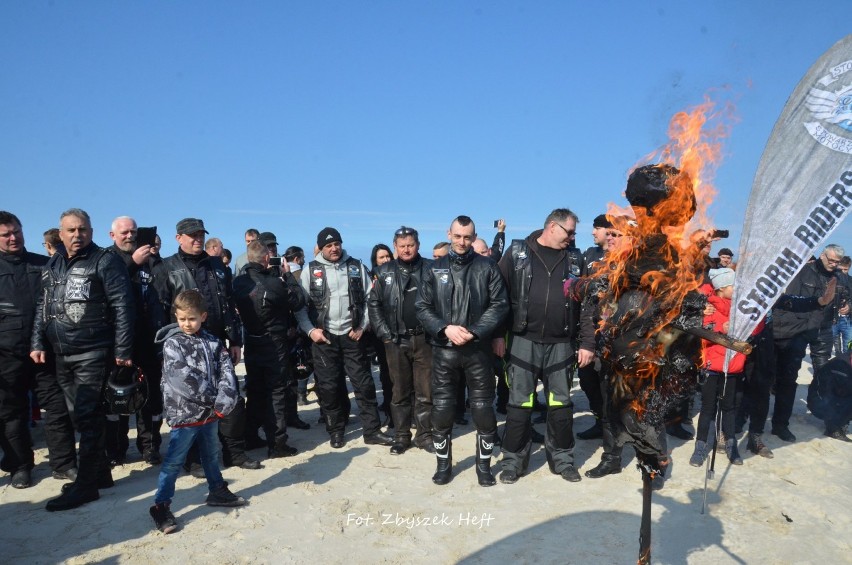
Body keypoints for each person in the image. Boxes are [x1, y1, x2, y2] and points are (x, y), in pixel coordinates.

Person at [31, 208, 135, 511]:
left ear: (91, 231)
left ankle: (86, 485)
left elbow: (123, 305)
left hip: (93, 351)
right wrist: (38, 341)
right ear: (60, 234)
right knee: (80, 417)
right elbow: (43, 306)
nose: (78, 235)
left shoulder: (105, 260)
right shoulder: (52, 266)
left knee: (89, 417)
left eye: (83, 229)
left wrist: (123, 351)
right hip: (62, 355)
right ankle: (99, 474)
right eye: (72, 230)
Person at [151, 217, 258, 471]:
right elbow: (158, 310)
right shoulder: (166, 268)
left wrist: (235, 340)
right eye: (192, 235)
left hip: (217, 342)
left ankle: (235, 453)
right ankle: (195, 459)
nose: (197, 239)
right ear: (179, 238)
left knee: (230, 395)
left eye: (200, 234)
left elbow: (228, 304)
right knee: (193, 401)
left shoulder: (217, 266)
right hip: (184, 346)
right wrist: (165, 345)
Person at [494, 209, 588, 484]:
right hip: (523, 340)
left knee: (561, 405)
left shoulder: (574, 259)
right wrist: (498, 335)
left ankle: (562, 460)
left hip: (561, 344)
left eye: (574, 233)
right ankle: (513, 461)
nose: (572, 238)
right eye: (568, 232)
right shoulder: (517, 253)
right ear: (551, 226)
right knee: (519, 404)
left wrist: (587, 343)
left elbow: (585, 306)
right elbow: (498, 297)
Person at [417, 215, 509, 486]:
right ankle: (444, 465)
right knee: (443, 409)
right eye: (457, 236)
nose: (462, 241)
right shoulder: (434, 269)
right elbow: (422, 306)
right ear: (449, 234)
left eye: (467, 237)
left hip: (477, 349)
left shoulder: (487, 267)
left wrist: (476, 330)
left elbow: (500, 304)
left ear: (474, 236)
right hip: (444, 349)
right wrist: (445, 328)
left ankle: (483, 467)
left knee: (483, 409)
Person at [149, 290, 247, 534]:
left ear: (203, 316)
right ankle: (161, 505)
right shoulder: (173, 345)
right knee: (174, 461)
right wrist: (213, 400)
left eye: (191, 319)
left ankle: (217, 490)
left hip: (211, 415)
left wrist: (224, 401)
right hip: (185, 414)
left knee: (211, 453)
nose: (186, 324)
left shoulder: (214, 342)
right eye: (182, 319)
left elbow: (226, 371)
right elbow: (182, 378)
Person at [294, 227, 393, 449]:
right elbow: (300, 307)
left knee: (364, 384)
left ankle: (372, 430)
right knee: (329, 388)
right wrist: (311, 331)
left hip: (352, 335)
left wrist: (363, 326)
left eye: (336, 243)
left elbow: (371, 300)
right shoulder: (310, 270)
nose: (334, 248)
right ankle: (336, 430)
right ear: (321, 248)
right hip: (324, 337)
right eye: (328, 245)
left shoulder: (356, 266)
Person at [104, 216, 166, 466]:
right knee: (117, 398)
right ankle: (116, 449)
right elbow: (106, 291)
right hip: (117, 340)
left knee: (151, 398)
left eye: (133, 231)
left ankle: (150, 446)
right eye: (124, 232)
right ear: (112, 236)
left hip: (148, 339)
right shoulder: (106, 259)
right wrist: (132, 263)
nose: (130, 236)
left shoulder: (152, 262)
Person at [233, 240, 303, 457]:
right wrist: (288, 275)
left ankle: (250, 436)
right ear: (266, 259)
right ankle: (277, 443)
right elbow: (298, 300)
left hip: (252, 340)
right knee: (276, 391)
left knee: (255, 389)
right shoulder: (273, 283)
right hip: (274, 343)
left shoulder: (238, 283)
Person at [368, 226, 434, 455]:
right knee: (400, 392)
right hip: (396, 340)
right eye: (402, 246)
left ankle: (424, 436)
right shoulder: (383, 271)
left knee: (426, 391)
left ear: (418, 245)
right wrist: (384, 333)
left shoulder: (432, 268)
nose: (407, 249)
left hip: (425, 340)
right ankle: (401, 435)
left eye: (411, 245)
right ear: (395, 247)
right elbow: (373, 304)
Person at [771, 243, 847, 442]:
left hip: (824, 330)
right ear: (822, 255)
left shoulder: (841, 277)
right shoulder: (803, 272)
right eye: (830, 260)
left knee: (827, 378)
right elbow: (788, 301)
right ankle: (780, 424)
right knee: (788, 379)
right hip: (800, 329)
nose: (833, 264)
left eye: (836, 262)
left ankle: (832, 425)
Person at [689, 268, 754, 467]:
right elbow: (701, 328)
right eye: (734, 286)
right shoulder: (708, 306)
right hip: (713, 366)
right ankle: (700, 446)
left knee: (729, 408)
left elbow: (756, 327)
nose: (737, 289)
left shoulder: (742, 308)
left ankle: (731, 445)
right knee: (708, 408)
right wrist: (719, 329)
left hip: (733, 367)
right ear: (722, 288)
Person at [576, 213, 612, 440]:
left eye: (596, 228)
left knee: (608, 385)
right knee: (586, 379)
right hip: (588, 330)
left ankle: (612, 428)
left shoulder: (625, 256)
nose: (592, 232)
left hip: (611, 334)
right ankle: (600, 420)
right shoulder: (590, 255)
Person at [368, 243, 394, 426]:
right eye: (381, 257)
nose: (385, 260)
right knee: (385, 370)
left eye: (387, 256)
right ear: (375, 261)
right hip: (379, 331)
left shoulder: (397, 274)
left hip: (397, 328)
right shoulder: (371, 278)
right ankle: (387, 402)